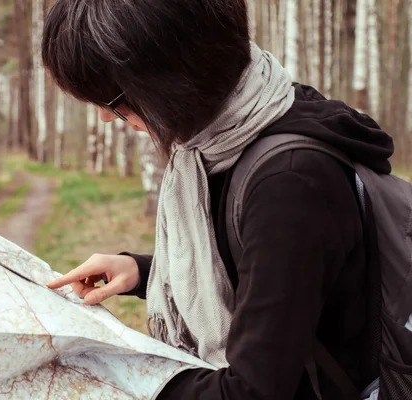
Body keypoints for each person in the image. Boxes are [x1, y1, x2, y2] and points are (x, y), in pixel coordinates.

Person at [43, 1, 393, 399]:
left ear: (168, 76)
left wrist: (117, 368)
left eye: (112, 102)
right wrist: (141, 271)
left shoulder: (291, 183)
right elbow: (264, 278)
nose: (107, 118)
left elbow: (254, 391)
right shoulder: (223, 133)